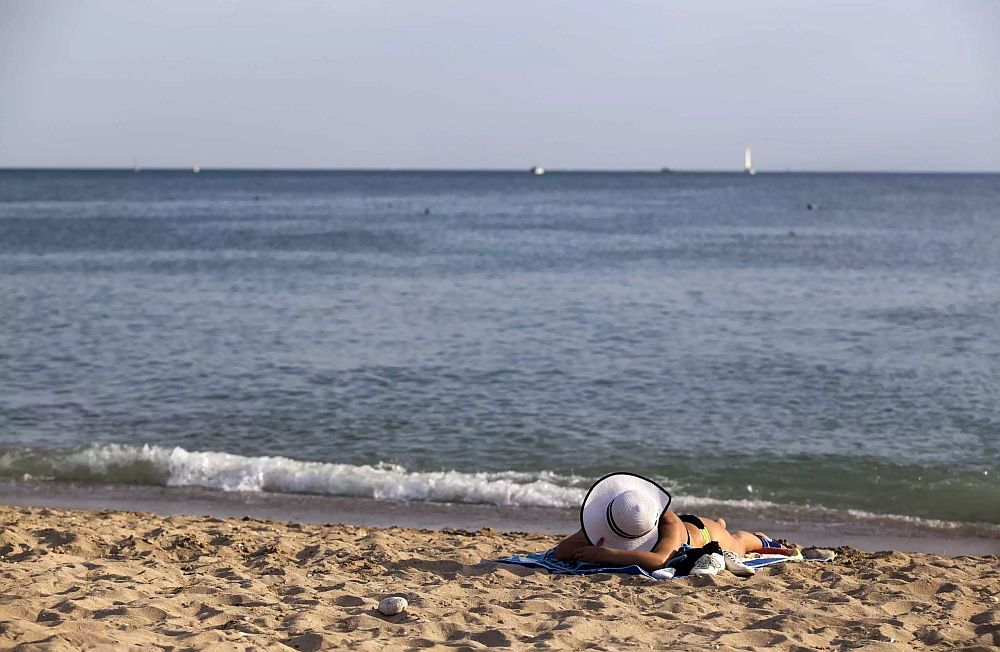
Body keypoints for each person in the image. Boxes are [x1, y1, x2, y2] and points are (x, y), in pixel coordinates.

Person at [553, 472, 785, 575]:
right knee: (721, 526)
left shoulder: (669, 526)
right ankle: (720, 522)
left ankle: (759, 536)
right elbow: (561, 550)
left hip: (703, 535)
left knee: (738, 541)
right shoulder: (617, 516)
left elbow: (659, 560)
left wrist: (607, 553)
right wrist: (590, 542)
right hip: (689, 526)